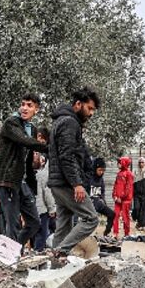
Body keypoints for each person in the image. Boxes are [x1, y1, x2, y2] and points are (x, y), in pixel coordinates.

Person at [46, 88, 100, 254]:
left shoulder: (61, 121)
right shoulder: (70, 123)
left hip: (59, 182)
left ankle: (55, 268)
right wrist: (77, 184)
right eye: (89, 108)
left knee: (63, 226)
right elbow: (67, 156)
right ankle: (61, 251)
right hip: (66, 183)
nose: (91, 113)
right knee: (91, 218)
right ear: (78, 104)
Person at [0, 94, 48, 247]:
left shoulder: (32, 129)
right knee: (13, 223)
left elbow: (30, 157)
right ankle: (11, 259)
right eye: (23, 104)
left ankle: (13, 250)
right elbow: (24, 140)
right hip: (7, 179)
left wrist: (37, 163)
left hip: (23, 182)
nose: (24, 108)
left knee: (34, 222)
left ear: (36, 109)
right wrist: (48, 147)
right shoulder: (11, 123)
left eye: (29, 105)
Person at [33, 152, 55, 251]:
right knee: (42, 234)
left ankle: (34, 251)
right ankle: (38, 253)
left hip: (33, 208)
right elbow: (47, 193)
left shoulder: (33, 173)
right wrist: (51, 209)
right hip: (42, 209)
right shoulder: (45, 174)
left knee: (36, 233)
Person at [88, 157, 114, 235]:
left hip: (98, 203)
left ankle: (106, 233)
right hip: (89, 205)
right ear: (95, 168)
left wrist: (103, 201)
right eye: (100, 170)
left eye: (103, 170)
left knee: (112, 214)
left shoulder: (101, 179)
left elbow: (102, 192)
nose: (101, 172)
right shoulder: (88, 178)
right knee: (93, 219)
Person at [112, 156, 134, 237]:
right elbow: (115, 185)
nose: (118, 164)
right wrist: (114, 196)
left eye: (120, 163)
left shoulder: (129, 174)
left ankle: (126, 234)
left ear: (124, 163)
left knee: (125, 217)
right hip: (117, 199)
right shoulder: (118, 174)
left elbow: (128, 188)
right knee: (115, 215)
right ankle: (115, 233)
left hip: (125, 200)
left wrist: (121, 197)